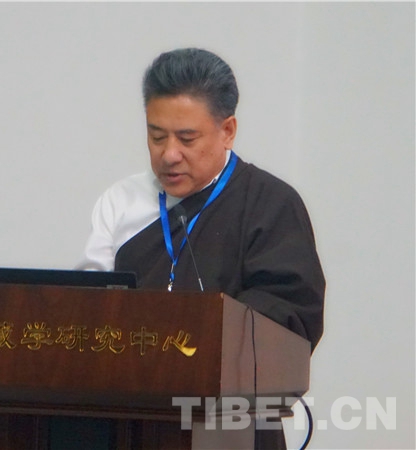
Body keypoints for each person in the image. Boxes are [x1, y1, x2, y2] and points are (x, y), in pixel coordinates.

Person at [77, 48, 326, 449]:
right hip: (130, 421)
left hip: (232, 425)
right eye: (157, 136)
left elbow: (290, 319)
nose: (169, 154)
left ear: (227, 130)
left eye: (187, 138)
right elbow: (89, 305)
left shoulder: (271, 203)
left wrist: (195, 334)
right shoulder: (121, 201)